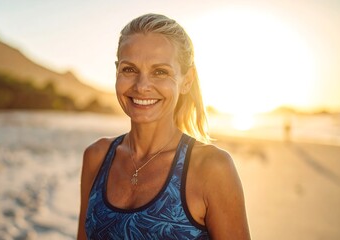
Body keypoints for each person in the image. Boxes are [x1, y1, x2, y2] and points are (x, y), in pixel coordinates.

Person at [78, 13, 250, 239]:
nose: (142, 86)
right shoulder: (97, 156)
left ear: (186, 80)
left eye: (160, 72)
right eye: (129, 69)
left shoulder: (212, 168)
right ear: (117, 71)